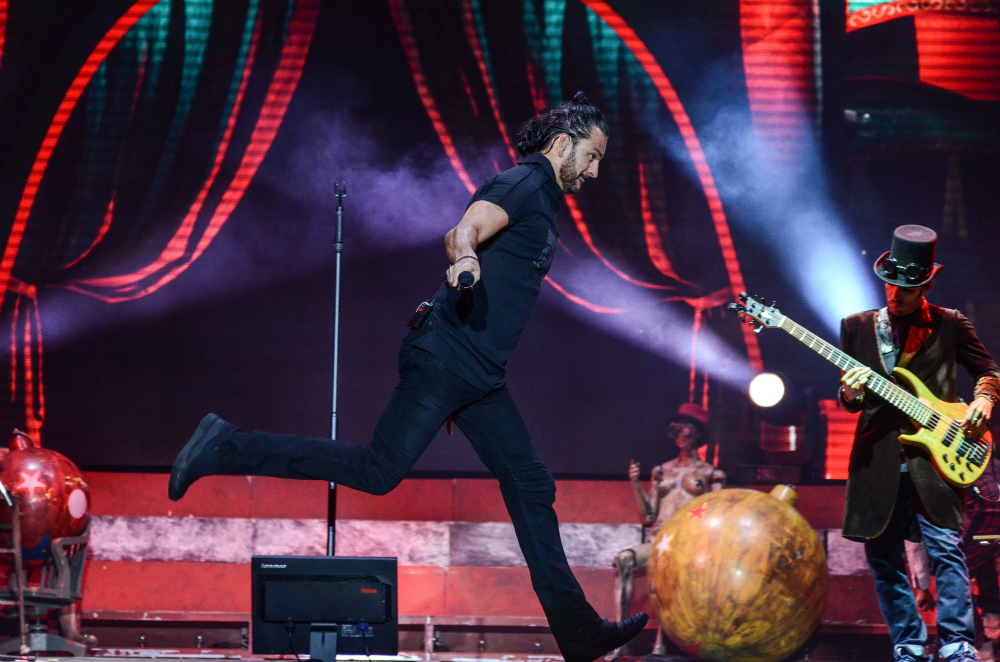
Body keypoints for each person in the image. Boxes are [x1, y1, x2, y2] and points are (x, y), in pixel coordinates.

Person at [166, 92, 648, 662]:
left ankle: (579, 633)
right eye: (591, 156)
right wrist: (466, 258)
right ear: (562, 143)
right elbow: (462, 231)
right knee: (378, 471)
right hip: (446, 358)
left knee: (532, 485)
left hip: (480, 377)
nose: (593, 172)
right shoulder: (523, 183)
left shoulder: (543, 197)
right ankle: (225, 445)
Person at [839, 224, 1000, 662]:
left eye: (907, 288)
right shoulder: (855, 328)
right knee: (884, 557)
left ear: (926, 284)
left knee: (946, 550)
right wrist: (851, 394)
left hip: (938, 455)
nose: (896, 294)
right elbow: (850, 400)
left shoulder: (950, 324)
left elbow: (988, 372)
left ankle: (957, 643)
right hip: (878, 459)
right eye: (891, 284)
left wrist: (984, 401)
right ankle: (908, 642)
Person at [605, 403, 725, 660]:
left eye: (686, 430)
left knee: (672, 569)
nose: (681, 436)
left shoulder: (711, 474)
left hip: (688, 543)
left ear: (698, 434)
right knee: (625, 559)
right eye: (676, 431)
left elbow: (716, 516)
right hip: (659, 540)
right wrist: (636, 483)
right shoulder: (661, 471)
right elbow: (649, 515)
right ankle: (621, 640)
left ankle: (663, 643)